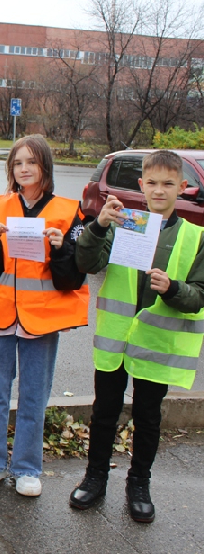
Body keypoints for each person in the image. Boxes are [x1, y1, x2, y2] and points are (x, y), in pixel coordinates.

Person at [69, 150, 204, 523]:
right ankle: (95, 477)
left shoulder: (195, 237)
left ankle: (138, 483)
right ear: (141, 186)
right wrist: (98, 225)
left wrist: (173, 288)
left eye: (168, 184)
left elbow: (199, 295)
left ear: (184, 188)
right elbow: (87, 263)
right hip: (115, 342)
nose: (159, 191)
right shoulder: (124, 224)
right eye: (153, 184)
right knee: (104, 413)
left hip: (157, 346)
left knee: (148, 417)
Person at [0, 134, 88, 497]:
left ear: (45, 167)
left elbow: (74, 275)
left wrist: (60, 249)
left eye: (31, 162)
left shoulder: (69, 211)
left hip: (41, 320)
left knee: (34, 396)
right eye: (18, 163)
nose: (24, 169)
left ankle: (26, 468)